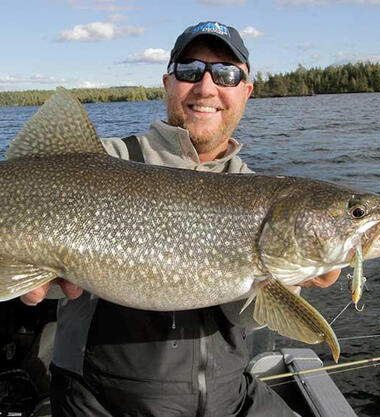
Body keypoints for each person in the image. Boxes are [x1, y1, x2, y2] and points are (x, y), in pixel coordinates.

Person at [22, 21, 340, 416]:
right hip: (104, 402)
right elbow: (46, 279)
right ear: (167, 83)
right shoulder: (105, 162)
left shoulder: (257, 191)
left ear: (246, 91)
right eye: (189, 71)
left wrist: (289, 281)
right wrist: (31, 273)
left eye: (226, 73)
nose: (206, 87)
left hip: (228, 398)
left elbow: (244, 316)